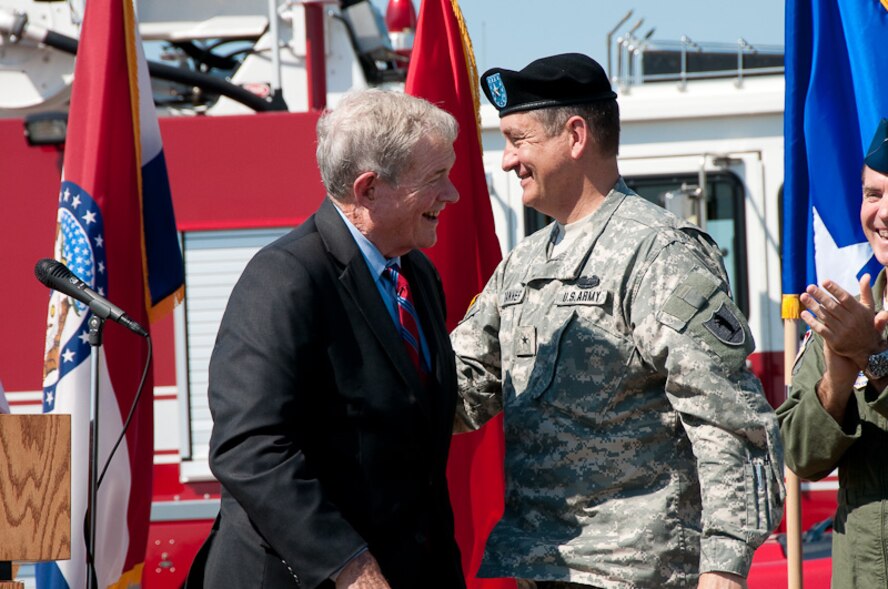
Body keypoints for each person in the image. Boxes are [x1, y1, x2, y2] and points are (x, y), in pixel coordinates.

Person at [450, 53, 785, 589]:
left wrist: (723, 567)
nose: (508, 160)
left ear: (576, 135)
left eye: (519, 140)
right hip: (540, 568)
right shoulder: (523, 264)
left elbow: (729, 422)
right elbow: (460, 391)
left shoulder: (660, 255)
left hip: (637, 574)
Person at [185, 89, 466, 589]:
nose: (452, 195)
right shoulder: (285, 278)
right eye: (435, 180)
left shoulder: (419, 277)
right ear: (368, 189)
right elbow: (250, 447)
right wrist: (348, 567)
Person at [777, 118, 888, 589]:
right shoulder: (850, 312)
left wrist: (876, 362)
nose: (881, 214)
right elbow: (800, 455)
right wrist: (837, 382)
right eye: (873, 194)